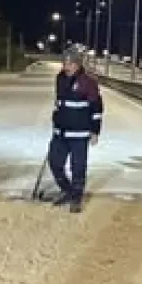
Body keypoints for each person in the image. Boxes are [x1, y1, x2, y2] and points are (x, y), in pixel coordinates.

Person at [48, 46, 103, 213]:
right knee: (55, 163)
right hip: (60, 133)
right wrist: (56, 119)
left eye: (70, 64)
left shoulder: (88, 82)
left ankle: (76, 198)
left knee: (78, 167)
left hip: (80, 134)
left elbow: (96, 109)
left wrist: (95, 131)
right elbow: (59, 103)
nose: (67, 67)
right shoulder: (60, 79)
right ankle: (67, 190)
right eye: (65, 63)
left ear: (78, 64)